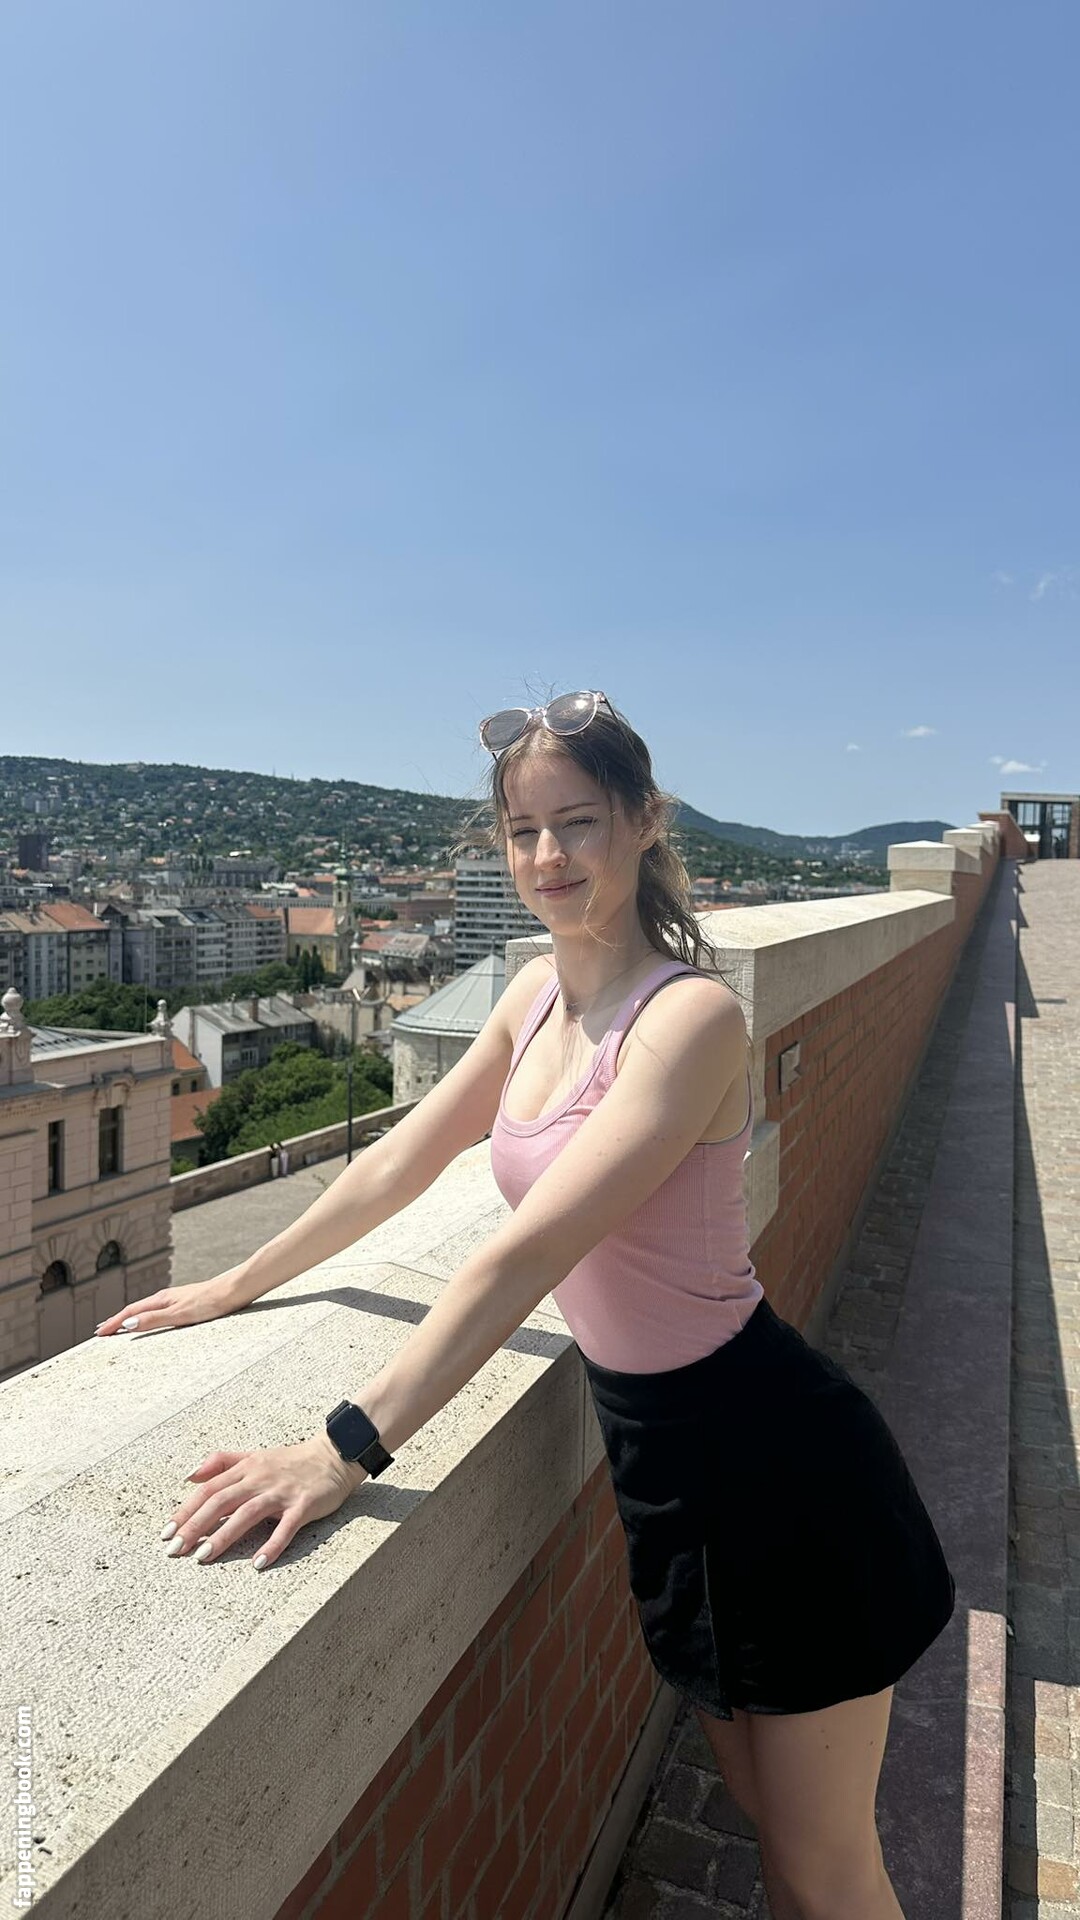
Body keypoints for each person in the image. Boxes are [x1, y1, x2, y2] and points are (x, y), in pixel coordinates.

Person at [93, 689, 954, 1918]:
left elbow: (521, 1257)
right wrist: (232, 1283)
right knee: (766, 1816)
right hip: (668, 1475)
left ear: (645, 821)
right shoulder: (532, 996)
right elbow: (393, 1167)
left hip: (779, 1463)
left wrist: (341, 1451)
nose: (549, 855)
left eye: (579, 822)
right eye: (523, 831)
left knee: (825, 1868)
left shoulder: (690, 1018)